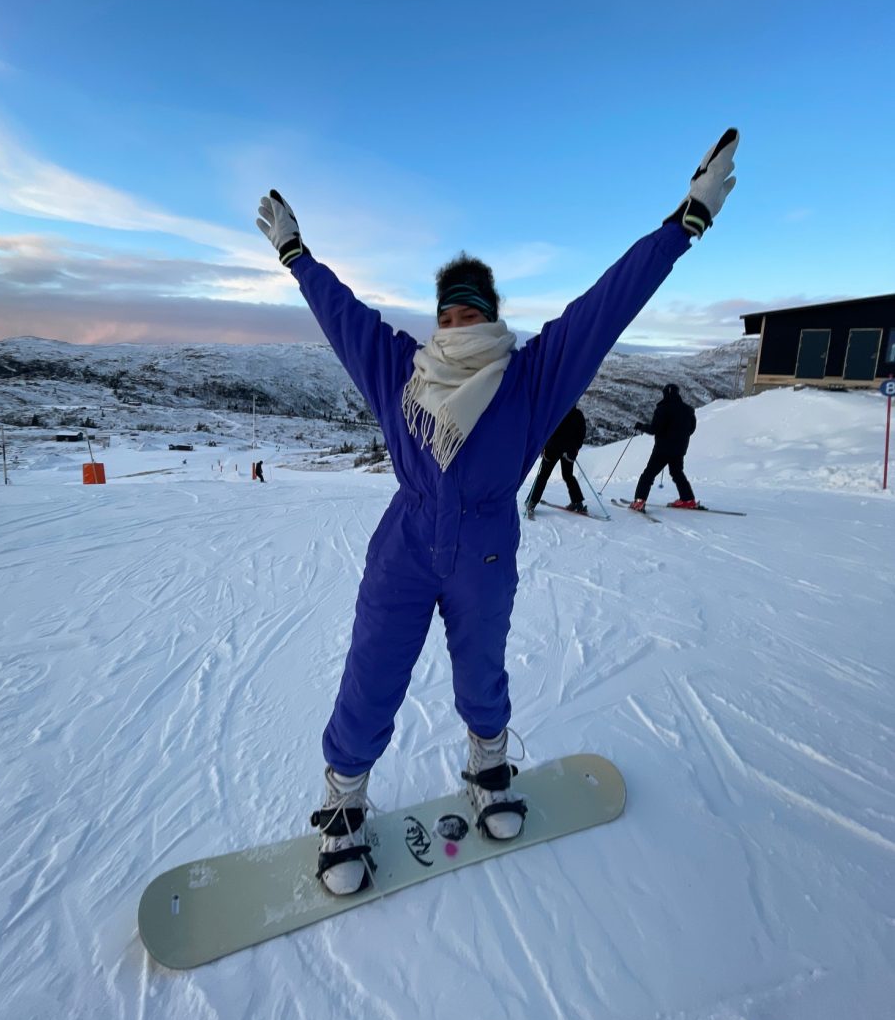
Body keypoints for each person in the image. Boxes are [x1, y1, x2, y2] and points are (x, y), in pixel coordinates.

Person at [256, 128, 739, 896]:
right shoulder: (399, 372)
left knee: (482, 669)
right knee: (373, 671)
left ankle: (488, 765)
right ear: (438, 318)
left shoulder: (529, 380)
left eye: (470, 313)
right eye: (448, 314)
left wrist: (684, 225)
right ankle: (343, 798)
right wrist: (296, 255)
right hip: (407, 546)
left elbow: (605, 306)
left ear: (489, 315)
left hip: (484, 550)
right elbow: (339, 312)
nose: (456, 325)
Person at [630, 383, 697, 511]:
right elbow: (691, 429)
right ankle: (688, 500)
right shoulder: (688, 410)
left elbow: (654, 429)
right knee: (677, 472)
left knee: (648, 475)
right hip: (680, 448)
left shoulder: (662, 409)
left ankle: (639, 501)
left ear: (665, 393)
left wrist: (641, 426)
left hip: (663, 449)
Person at [524, 406, 587, 518]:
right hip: (569, 451)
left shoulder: (556, 409)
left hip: (552, 449)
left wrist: (542, 446)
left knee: (543, 475)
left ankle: (531, 502)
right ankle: (578, 503)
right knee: (568, 475)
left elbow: (545, 429)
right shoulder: (577, 414)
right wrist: (576, 448)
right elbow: (582, 433)